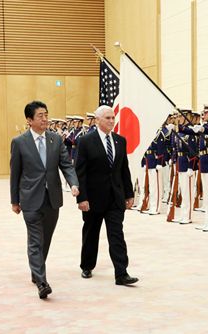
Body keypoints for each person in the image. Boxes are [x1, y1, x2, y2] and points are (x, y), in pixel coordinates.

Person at [10, 100, 79, 299]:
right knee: (35, 240)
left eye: (46, 115)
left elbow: (66, 165)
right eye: (40, 115)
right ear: (29, 120)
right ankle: (42, 282)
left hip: (52, 198)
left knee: (45, 239)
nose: (45, 119)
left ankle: (36, 270)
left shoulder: (56, 140)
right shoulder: (19, 142)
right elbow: (15, 173)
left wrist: (73, 183)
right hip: (30, 198)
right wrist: (14, 200)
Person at [75, 105, 138, 285]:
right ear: (97, 120)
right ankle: (87, 265)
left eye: (113, 117)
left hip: (115, 198)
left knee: (116, 235)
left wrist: (129, 193)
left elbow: (123, 169)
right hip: (93, 199)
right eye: (108, 118)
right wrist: (82, 198)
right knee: (91, 234)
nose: (112, 121)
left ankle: (121, 273)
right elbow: (81, 172)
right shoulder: (86, 141)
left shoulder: (120, 140)